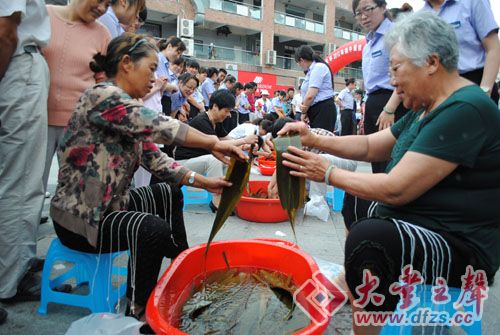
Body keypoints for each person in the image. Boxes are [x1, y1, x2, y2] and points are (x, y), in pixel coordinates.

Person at [278, 12, 500, 334]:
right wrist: (312, 138)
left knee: (369, 238)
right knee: (359, 206)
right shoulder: (427, 106)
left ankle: (368, 320)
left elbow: (396, 189)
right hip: (428, 221)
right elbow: (371, 146)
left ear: (431, 62)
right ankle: (358, 287)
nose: (391, 81)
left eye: (396, 69)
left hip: (461, 245)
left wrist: (325, 172)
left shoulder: (466, 107)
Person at [49, 34, 246, 324]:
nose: (155, 78)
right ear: (127, 64)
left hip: (112, 206)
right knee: (151, 229)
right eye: (151, 68)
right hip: (82, 218)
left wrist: (206, 183)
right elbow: (159, 125)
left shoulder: (126, 109)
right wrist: (212, 143)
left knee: (169, 191)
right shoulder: (102, 97)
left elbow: (159, 160)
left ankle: (181, 260)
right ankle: (138, 308)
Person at [0, 0, 50, 304]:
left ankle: (15, 267)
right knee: (20, 184)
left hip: (14, 62)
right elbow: (6, 28)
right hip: (15, 63)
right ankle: (9, 281)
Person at [41, 0, 112, 202]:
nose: (101, 8)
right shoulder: (43, 15)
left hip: (78, 126)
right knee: (30, 187)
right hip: (36, 119)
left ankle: (68, 233)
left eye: (107, 5)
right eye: (100, 1)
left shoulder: (102, 34)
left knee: (74, 191)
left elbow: (102, 81)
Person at [174, 89, 258, 210]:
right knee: (215, 159)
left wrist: (245, 147)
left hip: (200, 161)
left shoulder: (216, 122)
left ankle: (229, 195)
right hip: (184, 164)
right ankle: (217, 201)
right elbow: (218, 145)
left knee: (233, 158)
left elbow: (227, 140)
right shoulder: (202, 121)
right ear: (214, 106)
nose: (229, 115)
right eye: (227, 111)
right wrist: (245, 140)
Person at [353, 0, 407, 173]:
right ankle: (380, 199)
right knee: (375, 159)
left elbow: (403, 74)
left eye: (368, 9)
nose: (363, 16)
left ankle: (391, 199)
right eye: (358, 12)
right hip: (374, 103)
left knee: (392, 159)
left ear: (383, 7)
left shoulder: (395, 33)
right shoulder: (367, 45)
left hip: (393, 102)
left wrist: (390, 109)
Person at [421, 0, 500, 105]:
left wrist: (484, 92)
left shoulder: (472, 2)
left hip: (475, 82)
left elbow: (493, 48)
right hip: (441, 90)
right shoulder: (421, 16)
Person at [294, 45, 336, 132]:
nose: (299, 65)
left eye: (298, 63)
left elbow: (310, 95)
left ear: (301, 60)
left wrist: (304, 111)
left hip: (323, 109)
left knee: (322, 142)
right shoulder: (311, 70)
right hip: (316, 110)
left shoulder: (318, 67)